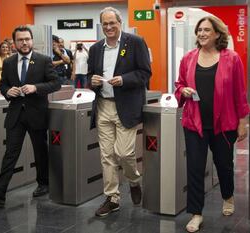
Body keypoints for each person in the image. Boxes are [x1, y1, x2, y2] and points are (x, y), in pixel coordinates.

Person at [174, 16, 249, 232]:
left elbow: (240, 92)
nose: (202, 34)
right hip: (194, 123)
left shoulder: (232, 59)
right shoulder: (188, 58)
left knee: (224, 164)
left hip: (224, 124)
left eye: (207, 30)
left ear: (217, 33)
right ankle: (196, 214)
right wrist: (183, 91)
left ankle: (228, 195)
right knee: (195, 168)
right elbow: (179, 84)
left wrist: (242, 121)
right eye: (199, 30)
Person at [0, 25, 60, 206]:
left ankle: (43, 183)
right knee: (11, 152)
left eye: (27, 39)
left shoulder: (43, 60)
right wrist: (7, 92)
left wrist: (36, 87)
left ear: (32, 40)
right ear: (14, 43)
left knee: (40, 151)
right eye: (20, 40)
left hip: (37, 113)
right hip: (16, 114)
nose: (24, 42)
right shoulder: (9, 62)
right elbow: (3, 85)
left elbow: (56, 83)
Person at [88, 7, 151, 217]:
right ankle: (112, 197)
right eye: (105, 24)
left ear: (119, 22)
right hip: (103, 106)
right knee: (107, 155)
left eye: (112, 23)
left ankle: (134, 181)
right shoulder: (96, 48)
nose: (108, 27)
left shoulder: (135, 43)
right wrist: (93, 81)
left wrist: (124, 80)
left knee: (124, 153)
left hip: (126, 107)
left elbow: (144, 73)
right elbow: (90, 75)